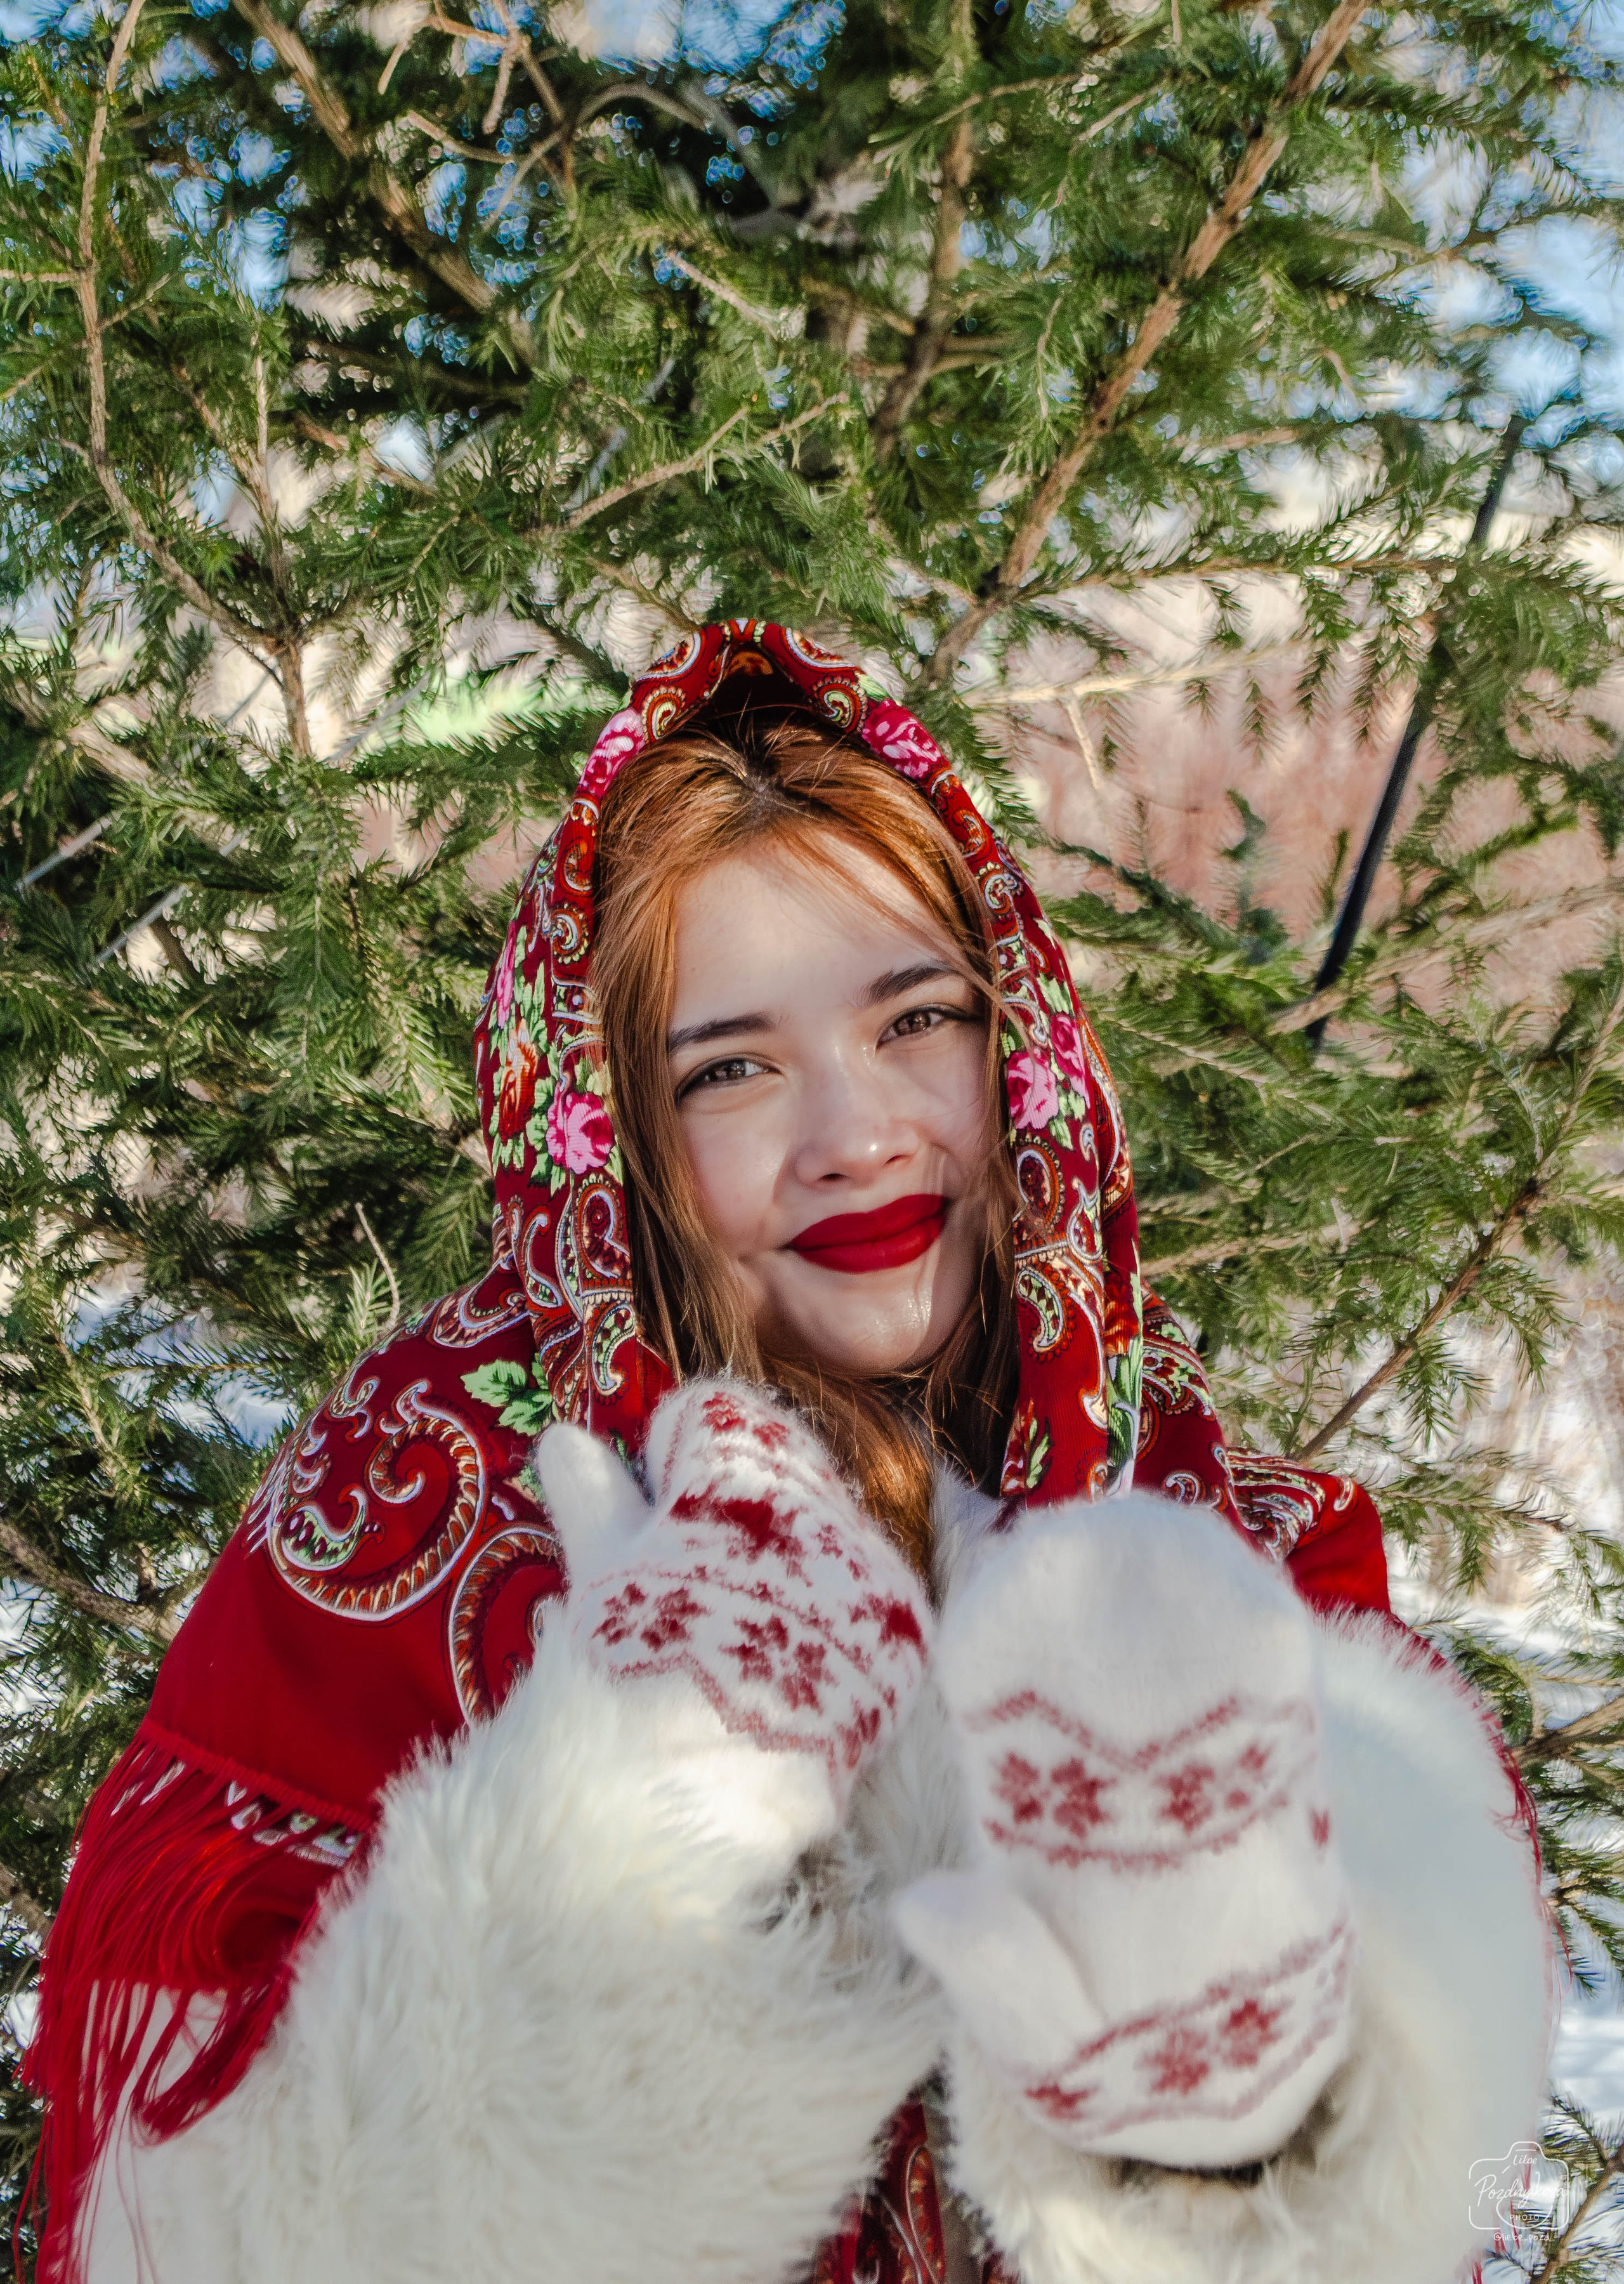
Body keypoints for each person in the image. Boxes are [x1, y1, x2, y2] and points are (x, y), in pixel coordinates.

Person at [28, 623, 1552, 2284]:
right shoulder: (420, 1498)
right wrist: (623, 1836)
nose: (861, 1134)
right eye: (735, 1068)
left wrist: (1247, 2121)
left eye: (915, 1021)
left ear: (1014, 1037)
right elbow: (196, 2225)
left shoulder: (1180, 1498)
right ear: (615, 1130)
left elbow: (1425, 2165)